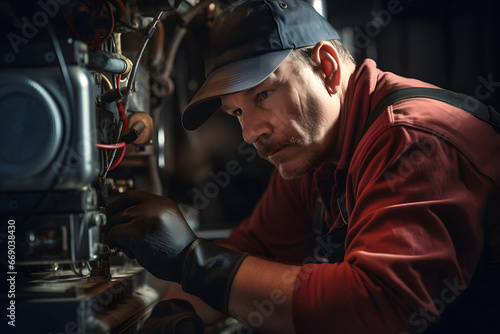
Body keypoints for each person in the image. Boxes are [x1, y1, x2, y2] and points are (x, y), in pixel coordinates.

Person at [105, 0, 500, 333]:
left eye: (263, 95)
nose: (250, 133)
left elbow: (382, 306)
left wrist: (192, 260)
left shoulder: (411, 140)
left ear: (326, 67)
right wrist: (178, 309)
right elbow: (255, 249)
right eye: (237, 112)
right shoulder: (312, 152)